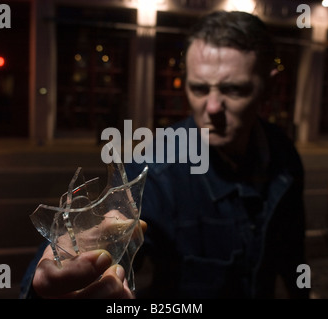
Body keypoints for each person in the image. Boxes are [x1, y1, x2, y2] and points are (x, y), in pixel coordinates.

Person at [20, 10, 309, 299]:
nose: (211, 107)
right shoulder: (158, 167)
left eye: (234, 89)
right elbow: (99, 236)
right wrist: (60, 275)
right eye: (198, 88)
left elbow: (293, 254)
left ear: (268, 86)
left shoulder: (283, 154)